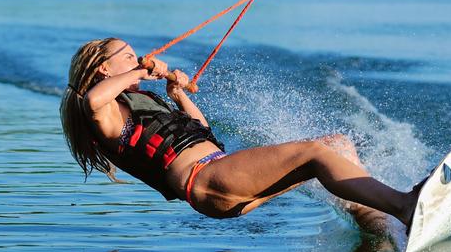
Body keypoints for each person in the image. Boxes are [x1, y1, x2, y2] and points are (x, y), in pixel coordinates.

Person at [59, 37, 421, 235]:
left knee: (336, 146)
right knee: (313, 153)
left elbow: (201, 131)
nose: (139, 60)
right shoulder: (105, 112)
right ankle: (405, 206)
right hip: (204, 182)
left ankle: (380, 230)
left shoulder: (142, 100)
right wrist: (144, 70)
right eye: (129, 57)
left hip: (219, 175)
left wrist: (177, 94)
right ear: (104, 67)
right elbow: (93, 98)